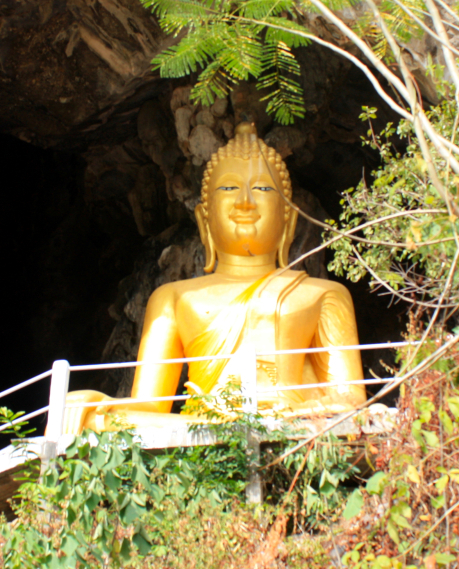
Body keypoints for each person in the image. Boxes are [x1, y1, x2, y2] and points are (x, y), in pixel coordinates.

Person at [62, 122, 365, 435]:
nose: (245, 203)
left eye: (262, 189)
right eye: (229, 188)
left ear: (288, 219)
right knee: (98, 420)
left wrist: (302, 410)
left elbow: (351, 398)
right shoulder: (173, 298)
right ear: (204, 220)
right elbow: (149, 407)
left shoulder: (323, 294)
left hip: (289, 419)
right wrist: (98, 403)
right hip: (202, 423)